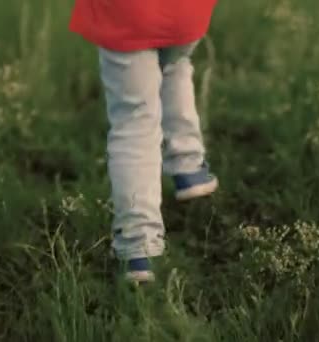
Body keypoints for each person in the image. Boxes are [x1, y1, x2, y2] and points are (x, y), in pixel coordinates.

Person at [69, 0, 219, 284]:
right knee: (175, 65)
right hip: (186, 10)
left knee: (134, 121)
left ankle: (138, 243)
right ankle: (188, 164)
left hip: (127, 13)